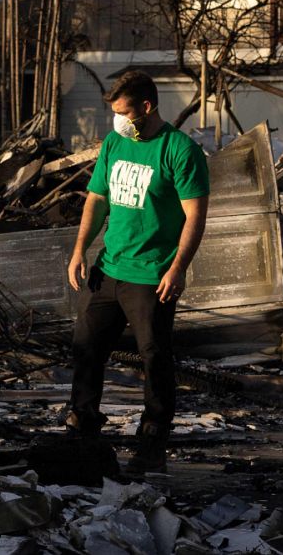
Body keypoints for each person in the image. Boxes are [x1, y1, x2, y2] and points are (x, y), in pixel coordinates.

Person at [65, 70, 209, 474]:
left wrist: (178, 268)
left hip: (152, 275)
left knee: (155, 358)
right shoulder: (115, 143)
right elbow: (96, 200)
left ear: (147, 107)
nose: (119, 121)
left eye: (125, 113)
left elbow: (195, 216)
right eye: (115, 113)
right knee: (86, 347)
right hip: (109, 267)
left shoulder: (179, 150)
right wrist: (79, 251)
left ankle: (151, 442)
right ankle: (82, 429)